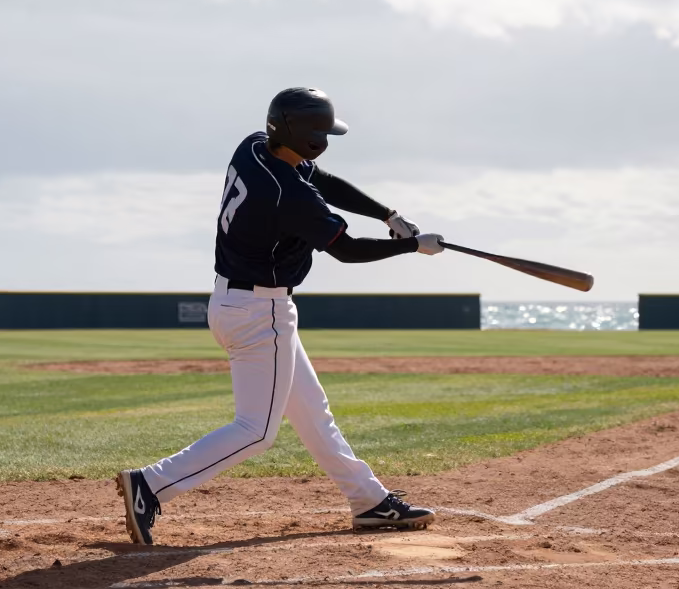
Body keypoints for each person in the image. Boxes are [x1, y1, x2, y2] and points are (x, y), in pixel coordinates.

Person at [117, 88, 445, 544]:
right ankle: (150, 485)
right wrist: (411, 246)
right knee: (256, 431)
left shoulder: (254, 146)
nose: (326, 140)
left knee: (312, 412)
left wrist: (386, 214)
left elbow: (322, 180)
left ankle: (368, 499)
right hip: (260, 312)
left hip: (239, 302)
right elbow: (346, 252)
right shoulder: (289, 196)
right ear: (306, 136)